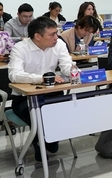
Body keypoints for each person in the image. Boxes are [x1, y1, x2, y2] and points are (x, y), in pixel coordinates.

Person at [8, 17, 73, 161]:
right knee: (40, 118)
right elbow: (14, 75)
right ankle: (40, 142)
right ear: (38, 36)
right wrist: (41, 78)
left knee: (67, 111)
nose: (56, 37)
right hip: (24, 98)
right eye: (52, 34)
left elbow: (67, 66)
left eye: (56, 33)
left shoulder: (59, 44)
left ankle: (43, 140)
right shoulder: (20, 48)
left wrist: (75, 73)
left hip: (52, 93)